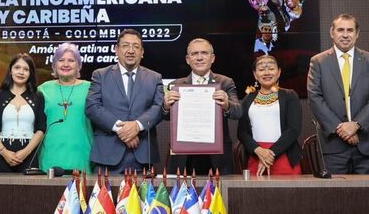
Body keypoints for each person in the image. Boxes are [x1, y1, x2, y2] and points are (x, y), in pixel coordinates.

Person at [307, 14, 369, 174]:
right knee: (334, 190)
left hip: (367, 144)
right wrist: (341, 130)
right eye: (340, 30)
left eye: (350, 30)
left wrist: (356, 125)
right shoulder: (318, 62)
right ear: (332, 32)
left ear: (357, 34)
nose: (345, 35)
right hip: (333, 146)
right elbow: (314, 97)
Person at [86, 29, 164, 173]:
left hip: (143, 156)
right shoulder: (100, 75)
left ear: (142, 52)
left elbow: (159, 107)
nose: (131, 50)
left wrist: (137, 126)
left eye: (136, 46)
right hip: (107, 156)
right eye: (125, 45)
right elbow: (92, 107)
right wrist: (123, 130)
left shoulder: (155, 78)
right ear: (116, 49)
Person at [163, 38, 242, 175]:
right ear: (188, 59)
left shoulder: (225, 82)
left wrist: (227, 104)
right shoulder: (175, 85)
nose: (199, 57)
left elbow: (238, 112)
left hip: (217, 156)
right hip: (184, 155)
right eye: (194, 54)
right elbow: (165, 116)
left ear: (213, 58)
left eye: (204, 53)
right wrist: (165, 106)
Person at [237, 55, 302, 176]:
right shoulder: (248, 99)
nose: (266, 73)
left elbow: (294, 129)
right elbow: (242, 132)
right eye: (261, 69)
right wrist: (259, 151)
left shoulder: (290, 96)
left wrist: (270, 154)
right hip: (256, 157)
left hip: (284, 156)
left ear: (279, 72)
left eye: (271, 69)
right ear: (255, 75)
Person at [0, 53, 46, 173]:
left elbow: (41, 129)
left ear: (30, 73)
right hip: (1, 155)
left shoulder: (38, 96)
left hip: (29, 156)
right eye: (17, 67)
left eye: (26, 69)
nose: (21, 72)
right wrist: (4, 152)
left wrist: (25, 152)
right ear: (11, 70)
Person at [38, 43, 93, 172]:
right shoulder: (42, 89)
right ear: (54, 65)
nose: (66, 64)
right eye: (61, 60)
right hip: (50, 158)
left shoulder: (91, 89)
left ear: (78, 65)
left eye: (71, 60)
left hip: (82, 157)